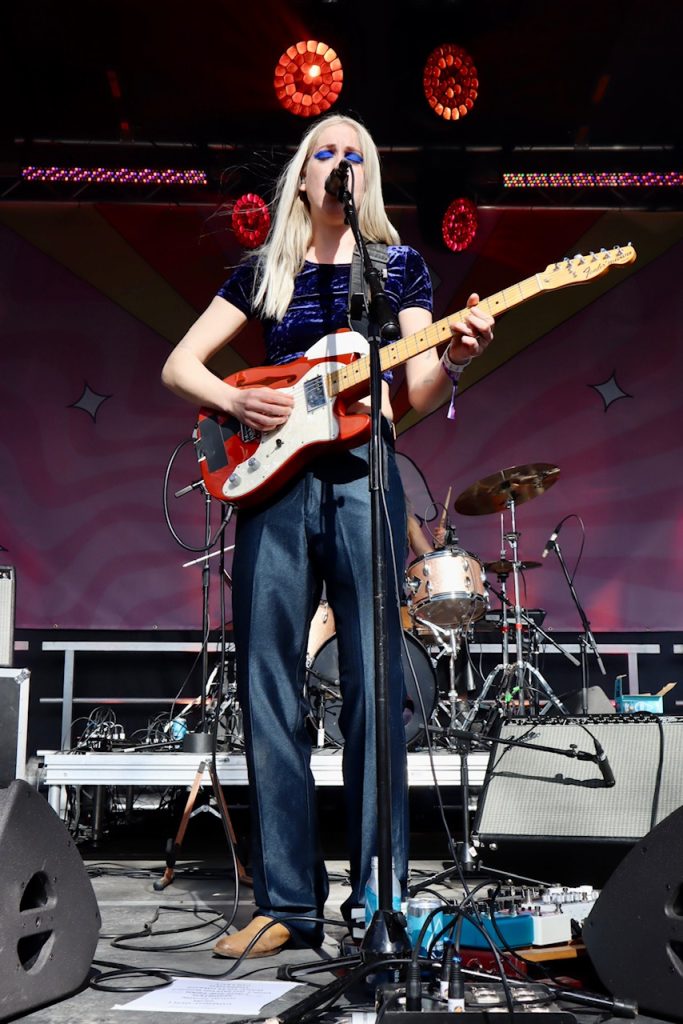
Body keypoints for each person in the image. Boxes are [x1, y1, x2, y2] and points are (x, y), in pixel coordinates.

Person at [161, 113, 494, 958]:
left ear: (366, 177)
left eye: (355, 153)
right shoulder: (262, 272)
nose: (339, 162)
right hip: (273, 488)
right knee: (269, 683)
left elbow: (408, 394)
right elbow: (180, 364)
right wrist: (239, 401)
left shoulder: (398, 267)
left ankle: (378, 901)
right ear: (302, 177)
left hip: (361, 482)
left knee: (375, 687)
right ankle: (288, 903)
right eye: (325, 152)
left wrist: (453, 355)